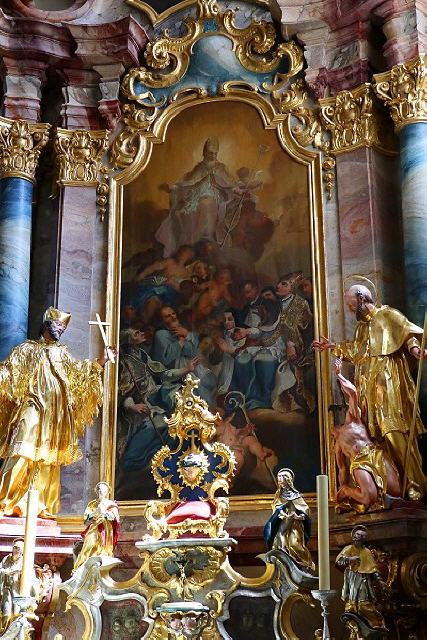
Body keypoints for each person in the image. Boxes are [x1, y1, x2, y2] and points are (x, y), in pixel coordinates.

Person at [313, 284, 427, 499]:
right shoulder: (361, 328)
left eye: (350, 304)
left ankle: (415, 484)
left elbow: (405, 333)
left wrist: (415, 349)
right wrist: (333, 347)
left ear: (361, 298)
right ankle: (393, 487)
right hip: (368, 387)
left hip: (388, 381)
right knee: (376, 437)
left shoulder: (388, 315)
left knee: (394, 432)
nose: (349, 309)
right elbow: (357, 352)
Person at [0, 307, 114, 519]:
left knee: (47, 458)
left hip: (54, 415)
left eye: (63, 326)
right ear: (47, 324)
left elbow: (80, 375)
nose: (61, 329)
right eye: (58, 324)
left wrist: (102, 361)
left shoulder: (62, 353)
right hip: (32, 405)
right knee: (21, 450)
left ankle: (39, 505)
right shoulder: (27, 349)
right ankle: (6, 501)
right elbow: (8, 371)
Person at [333, 359, 401, 513]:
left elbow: (353, 393)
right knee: (368, 497)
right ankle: (347, 492)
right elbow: (342, 469)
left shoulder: (352, 420)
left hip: (374, 454)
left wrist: (339, 375)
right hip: (359, 462)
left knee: (395, 492)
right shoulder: (337, 445)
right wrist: (343, 487)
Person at [155, 137, 237, 256]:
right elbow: (190, 181)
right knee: (186, 210)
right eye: (210, 153)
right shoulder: (200, 167)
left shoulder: (221, 167)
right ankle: (192, 240)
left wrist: (235, 189)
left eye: (215, 153)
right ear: (205, 152)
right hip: (199, 194)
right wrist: (175, 187)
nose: (212, 156)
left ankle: (206, 236)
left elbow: (229, 182)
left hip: (217, 196)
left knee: (206, 203)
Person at [335, 525, 387, 630]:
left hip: (364, 579)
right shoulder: (348, 549)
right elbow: (339, 561)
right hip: (352, 578)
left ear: (365, 538)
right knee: (352, 604)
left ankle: (375, 625)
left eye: (362, 535)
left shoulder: (367, 552)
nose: (359, 537)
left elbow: (373, 569)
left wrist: (380, 581)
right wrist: (350, 559)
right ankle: (355, 627)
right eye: (357, 534)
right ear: (353, 536)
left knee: (364, 603)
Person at [263, 468, 314, 571]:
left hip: (295, 525)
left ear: (289, 479)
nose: (280, 480)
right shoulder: (279, 495)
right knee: (280, 544)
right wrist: (283, 514)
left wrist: (299, 516)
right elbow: (276, 509)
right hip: (282, 524)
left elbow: (305, 510)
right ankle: (283, 566)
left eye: (283, 477)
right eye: (279, 477)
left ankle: (303, 565)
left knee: (295, 544)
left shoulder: (297, 496)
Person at [73, 482, 120, 573]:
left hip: (105, 529)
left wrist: (105, 513)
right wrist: (95, 512)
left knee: (103, 547)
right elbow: (86, 520)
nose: (101, 492)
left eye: (104, 490)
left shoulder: (111, 504)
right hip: (94, 527)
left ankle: (101, 556)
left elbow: (115, 518)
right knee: (89, 543)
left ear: (107, 492)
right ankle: (81, 565)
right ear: (97, 491)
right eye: (99, 490)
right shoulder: (92, 504)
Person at [0, 539, 39, 631]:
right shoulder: (6, 559)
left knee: (17, 614)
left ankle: (16, 633)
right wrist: (5, 572)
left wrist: (20, 572)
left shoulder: (25, 562)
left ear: (23, 550)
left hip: (18, 592)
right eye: (15, 547)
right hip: (7, 591)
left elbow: (31, 578)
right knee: (6, 614)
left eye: (19, 548)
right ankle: (4, 633)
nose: (17, 550)